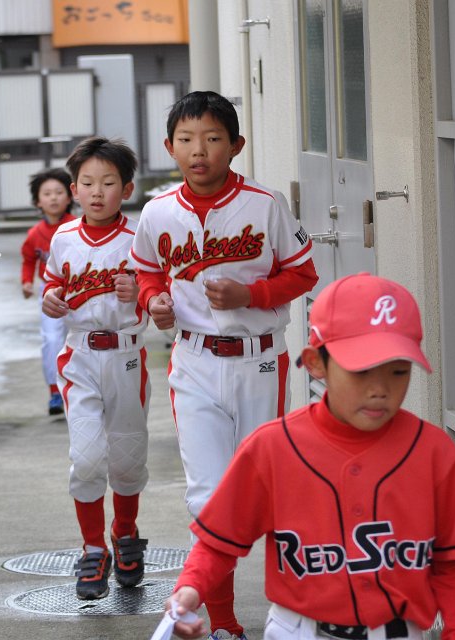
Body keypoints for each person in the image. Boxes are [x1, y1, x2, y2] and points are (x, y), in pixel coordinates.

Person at [167, 273, 455, 640]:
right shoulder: (273, 448)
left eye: (398, 370)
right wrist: (190, 590)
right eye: (361, 371)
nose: (380, 389)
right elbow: (219, 541)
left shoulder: (434, 453)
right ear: (316, 363)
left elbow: (453, 565)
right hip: (299, 630)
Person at [129, 90, 318, 639]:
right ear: (169, 147)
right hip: (193, 361)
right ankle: (224, 624)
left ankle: (296, 612)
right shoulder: (158, 211)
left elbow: (303, 274)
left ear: (235, 145)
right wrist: (153, 301)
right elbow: (146, 271)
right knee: (207, 496)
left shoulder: (264, 204)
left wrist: (251, 295)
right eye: (186, 139)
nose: (199, 150)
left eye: (212, 138)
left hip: (259, 362)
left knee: (269, 493)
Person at [41, 136, 150, 601]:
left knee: (126, 458)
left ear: (126, 188)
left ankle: (124, 532)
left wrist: (140, 295)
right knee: (86, 459)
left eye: (108, 182)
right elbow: (53, 286)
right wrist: (50, 299)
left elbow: (162, 293)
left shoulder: (140, 237)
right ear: (74, 189)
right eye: (87, 183)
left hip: (126, 355)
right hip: (80, 356)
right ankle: (93, 547)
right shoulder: (63, 237)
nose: (97, 192)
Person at [22, 167, 76, 415]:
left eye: (58, 192)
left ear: (70, 196)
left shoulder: (77, 227)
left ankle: (80, 387)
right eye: (47, 193)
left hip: (79, 288)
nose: (53, 198)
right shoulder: (34, 234)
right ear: (38, 201)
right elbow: (28, 260)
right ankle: (55, 391)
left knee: (79, 338)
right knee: (52, 339)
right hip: (50, 292)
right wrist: (26, 282)